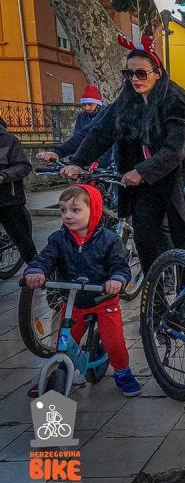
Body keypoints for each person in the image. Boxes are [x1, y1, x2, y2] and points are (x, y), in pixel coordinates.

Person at [60, 34, 185, 276]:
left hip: (175, 180)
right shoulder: (126, 100)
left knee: (182, 242)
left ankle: (184, 301)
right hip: (143, 186)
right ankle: (155, 302)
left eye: (141, 73)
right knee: (145, 240)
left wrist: (142, 171)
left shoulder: (175, 100)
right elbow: (100, 132)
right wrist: (78, 162)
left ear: (157, 72)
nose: (135, 79)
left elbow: (175, 149)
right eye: (129, 74)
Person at [23, 184, 139, 396]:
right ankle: (59, 372)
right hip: (74, 301)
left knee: (114, 342)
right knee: (64, 342)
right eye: (63, 210)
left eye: (75, 210)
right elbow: (45, 257)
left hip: (104, 299)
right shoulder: (59, 239)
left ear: (93, 210)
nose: (67, 216)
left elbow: (120, 265)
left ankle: (123, 372)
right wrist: (37, 270)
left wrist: (116, 279)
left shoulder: (109, 240)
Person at [37, 85, 113, 167]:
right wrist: (58, 152)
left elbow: (107, 144)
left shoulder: (107, 114)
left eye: (90, 104)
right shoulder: (82, 116)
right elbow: (80, 136)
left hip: (107, 161)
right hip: (87, 160)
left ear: (98, 103)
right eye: (84, 105)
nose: (87, 108)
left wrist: (99, 162)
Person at [0, 118, 37, 265]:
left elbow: (23, 166)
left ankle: (36, 271)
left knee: (23, 241)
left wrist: (3, 176)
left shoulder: (9, 141)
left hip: (8, 199)